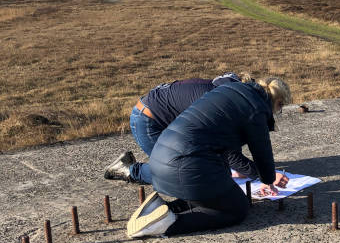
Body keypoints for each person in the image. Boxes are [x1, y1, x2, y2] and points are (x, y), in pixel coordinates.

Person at [127, 77, 292, 238]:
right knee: (237, 209)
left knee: (215, 195)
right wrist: (269, 179)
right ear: (278, 103)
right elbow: (262, 150)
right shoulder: (257, 109)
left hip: (161, 156)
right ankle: (169, 224)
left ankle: (158, 208)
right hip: (187, 164)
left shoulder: (230, 90)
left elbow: (226, 145)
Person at [104, 72, 273, 184]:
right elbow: (227, 151)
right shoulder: (222, 104)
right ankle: (128, 169)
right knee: (177, 173)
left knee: (204, 165)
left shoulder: (226, 91)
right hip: (149, 121)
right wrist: (260, 174)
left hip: (161, 118)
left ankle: (133, 165)